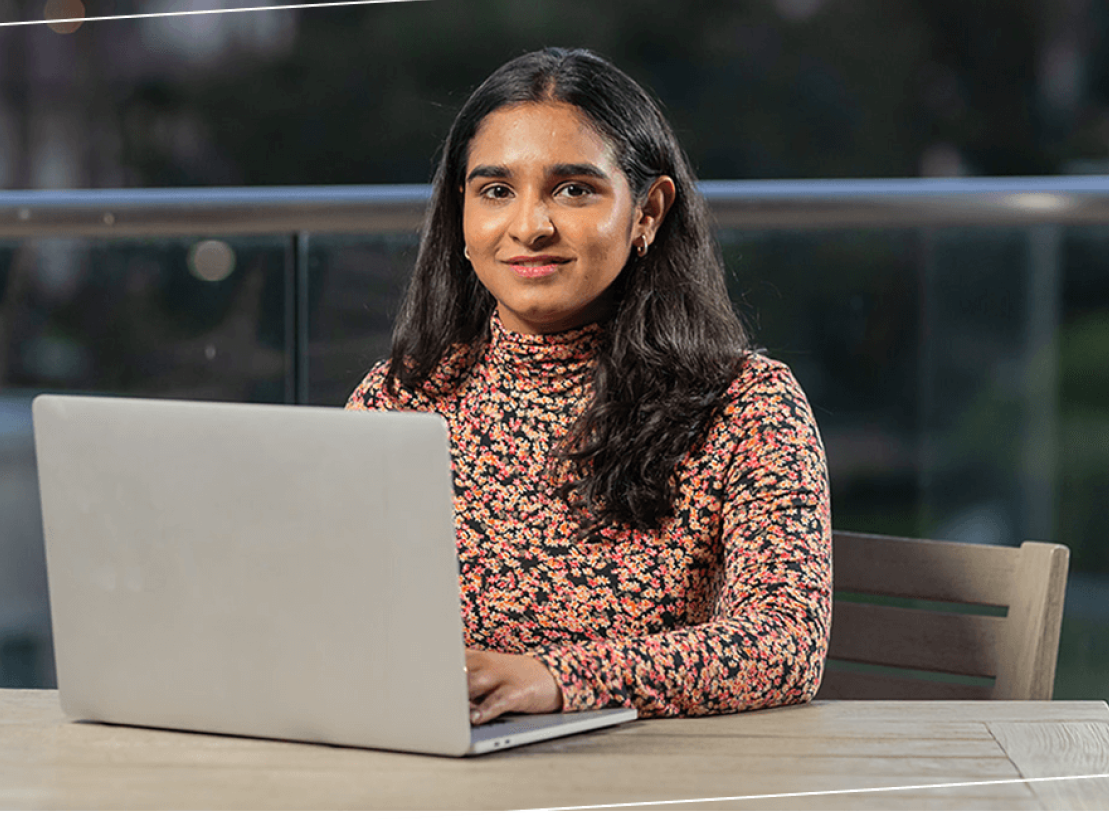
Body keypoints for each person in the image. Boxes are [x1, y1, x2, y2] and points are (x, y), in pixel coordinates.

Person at [346, 47, 831, 725]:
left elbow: (783, 646)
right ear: (461, 215)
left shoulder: (746, 404)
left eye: (574, 189)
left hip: (657, 782)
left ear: (648, 213)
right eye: (495, 190)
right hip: (440, 768)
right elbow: (332, 620)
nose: (529, 227)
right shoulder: (400, 398)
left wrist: (557, 680)